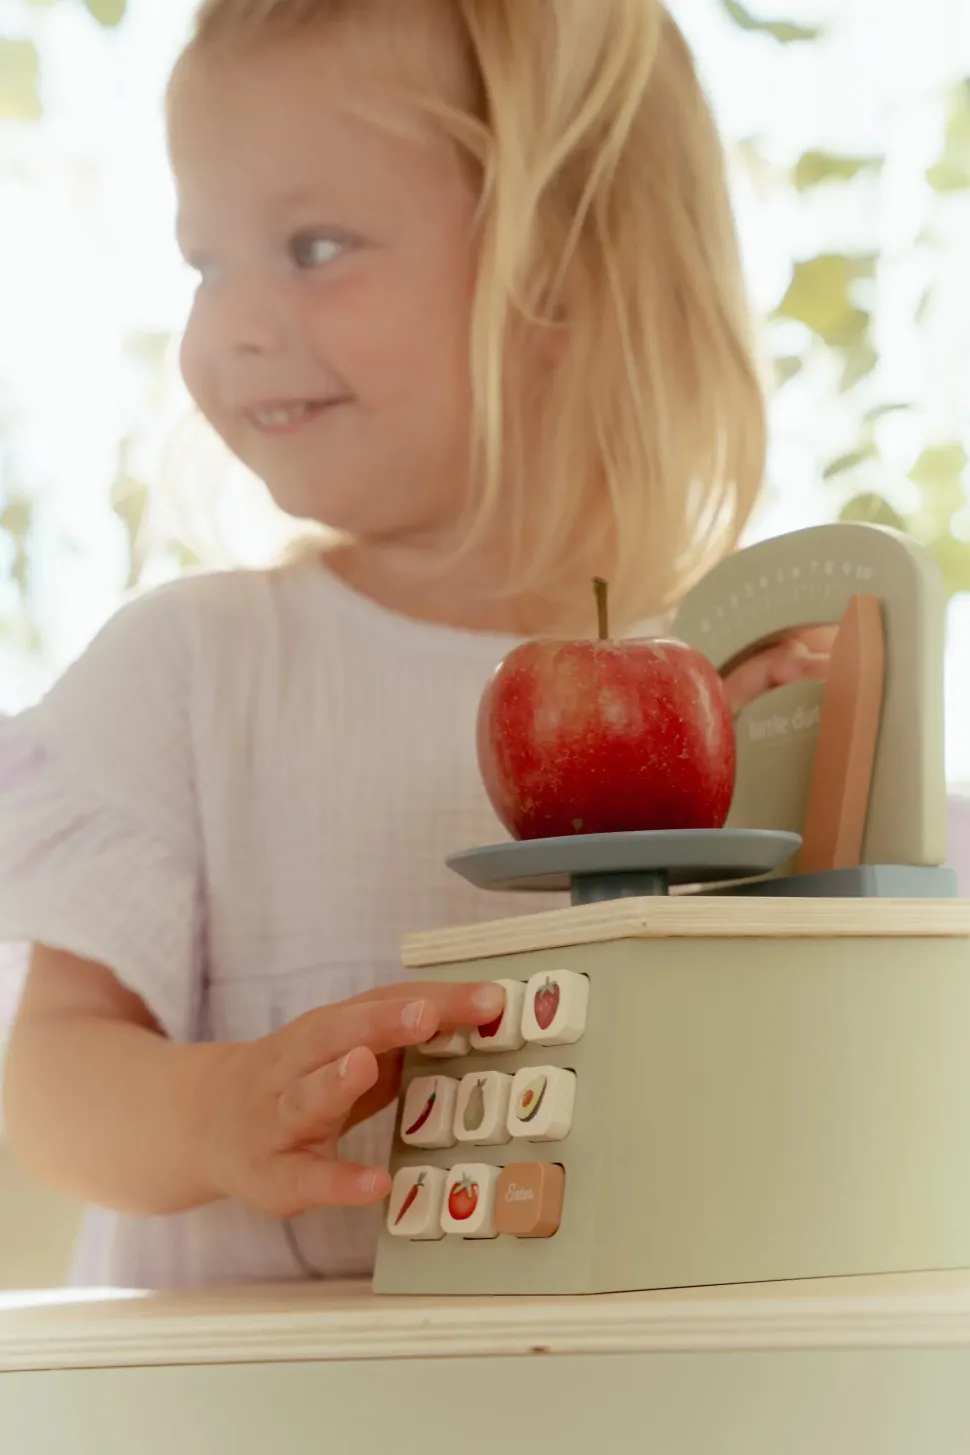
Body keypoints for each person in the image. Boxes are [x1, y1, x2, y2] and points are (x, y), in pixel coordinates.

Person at [0, 0, 952, 1292]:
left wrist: (801, 819)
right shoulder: (192, 671)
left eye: (315, 246)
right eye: (204, 266)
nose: (228, 330)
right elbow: (53, 1081)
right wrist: (218, 1112)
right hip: (247, 1397)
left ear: (564, 264)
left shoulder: (729, 699)